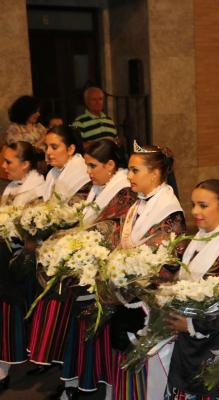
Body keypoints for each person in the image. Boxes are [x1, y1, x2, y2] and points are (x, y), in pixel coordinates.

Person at [58, 139, 136, 399]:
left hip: (105, 274)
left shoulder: (123, 191)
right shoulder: (97, 187)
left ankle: (95, 381)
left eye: (93, 165)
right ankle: (80, 379)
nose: (88, 171)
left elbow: (112, 231)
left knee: (96, 330)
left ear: (111, 165)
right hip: (87, 268)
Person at [109, 141, 186, 400]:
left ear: (154, 174)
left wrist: (125, 275)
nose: (128, 176)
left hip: (150, 303)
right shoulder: (138, 203)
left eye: (134, 170)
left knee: (148, 366)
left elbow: (168, 263)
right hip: (131, 297)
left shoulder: (169, 210)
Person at [165, 179, 219, 399]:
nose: (195, 211)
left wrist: (191, 324)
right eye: (193, 204)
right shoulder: (200, 238)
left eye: (203, 205)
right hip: (189, 343)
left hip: (213, 345)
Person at [28, 126, 92, 374]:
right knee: (50, 314)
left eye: (55, 147)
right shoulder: (54, 174)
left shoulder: (81, 175)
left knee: (65, 319)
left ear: (72, 149)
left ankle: (69, 373)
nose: (48, 152)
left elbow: (77, 216)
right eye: (46, 147)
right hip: (53, 252)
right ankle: (52, 361)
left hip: (71, 255)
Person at [0, 141, 45, 391]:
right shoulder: (12, 187)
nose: (4, 166)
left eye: (9, 161)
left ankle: (5, 365)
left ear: (25, 164)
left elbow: (33, 233)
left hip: (23, 265)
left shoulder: (35, 190)